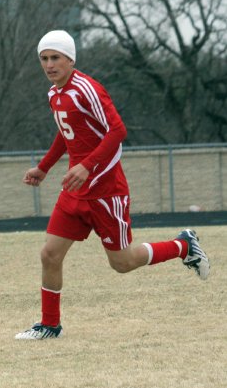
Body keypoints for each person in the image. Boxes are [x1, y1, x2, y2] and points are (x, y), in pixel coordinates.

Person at [16, 30, 211, 340]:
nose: (49, 64)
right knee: (49, 255)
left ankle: (183, 246)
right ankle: (49, 325)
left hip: (106, 192)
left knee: (122, 262)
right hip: (75, 191)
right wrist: (43, 167)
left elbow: (117, 130)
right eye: (44, 59)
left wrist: (86, 165)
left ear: (70, 59)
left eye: (55, 58)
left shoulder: (88, 89)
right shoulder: (54, 94)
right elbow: (67, 135)